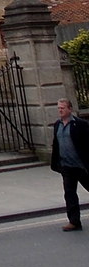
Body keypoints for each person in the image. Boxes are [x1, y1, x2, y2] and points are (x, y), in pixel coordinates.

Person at [50, 97, 89, 231]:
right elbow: (56, 144)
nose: (60, 110)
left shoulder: (80, 124)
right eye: (58, 108)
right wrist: (57, 163)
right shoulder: (57, 125)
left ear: (70, 109)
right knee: (69, 193)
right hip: (67, 166)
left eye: (62, 108)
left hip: (81, 166)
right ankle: (74, 221)